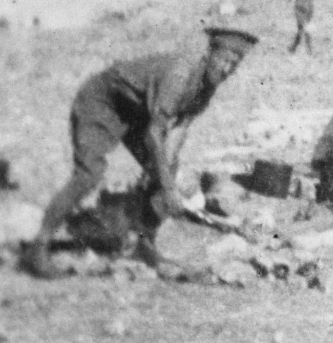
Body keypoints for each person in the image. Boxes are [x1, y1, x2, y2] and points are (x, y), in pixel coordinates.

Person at [20, 25, 260, 278]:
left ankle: (142, 242)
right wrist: (168, 188)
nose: (227, 69)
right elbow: (154, 134)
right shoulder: (179, 75)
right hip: (102, 102)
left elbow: (178, 131)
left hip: (136, 113)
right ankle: (38, 248)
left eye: (234, 65)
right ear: (210, 54)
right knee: (89, 174)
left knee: (164, 169)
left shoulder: (207, 87)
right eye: (224, 60)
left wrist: (165, 173)